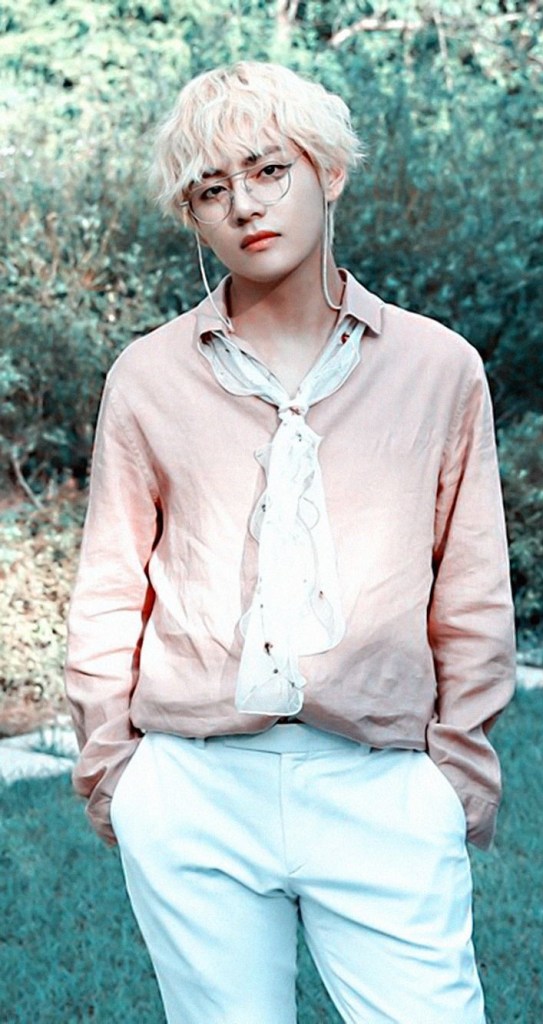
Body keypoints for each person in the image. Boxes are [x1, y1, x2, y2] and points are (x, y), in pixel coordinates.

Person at [65, 61, 516, 1024]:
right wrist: (118, 776)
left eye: (270, 170)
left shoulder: (438, 368)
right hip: (194, 788)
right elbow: (110, 587)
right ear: (193, 216)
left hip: (381, 784)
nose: (245, 206)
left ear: (329, 171)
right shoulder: (148, 377)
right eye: (211, 189)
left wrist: (453, 779)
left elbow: (473, 591)